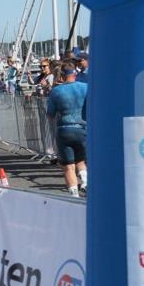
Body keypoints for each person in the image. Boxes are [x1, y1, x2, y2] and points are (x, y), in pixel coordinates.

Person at [45, 63, 88, 197]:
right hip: (83, 129)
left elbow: (50, 115)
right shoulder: (86, 87)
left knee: (69, 166)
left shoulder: (56, 91)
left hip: (65, 129)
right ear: (75, 74)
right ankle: (86, 183)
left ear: (62, 76)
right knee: (81, 160)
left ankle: (74, 195)